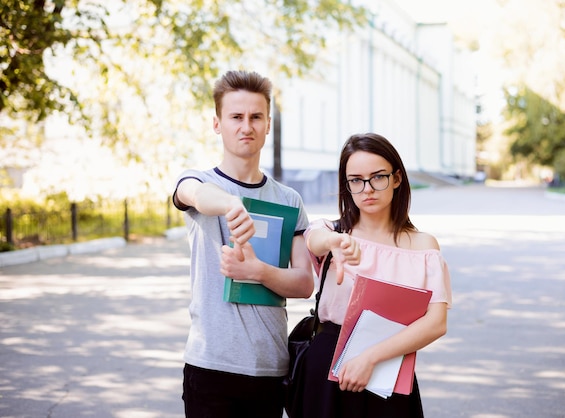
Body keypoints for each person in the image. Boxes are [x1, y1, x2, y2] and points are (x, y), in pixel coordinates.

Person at [172, 70, 314, 418]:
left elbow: (304, 283)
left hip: (269, 367)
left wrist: (258, 271)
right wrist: (231, 204)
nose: (245, 126)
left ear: (268, 124)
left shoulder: (289, 200)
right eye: (236, 117)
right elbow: (192, 194)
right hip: (210, 365)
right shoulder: (199, 181)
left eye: (255, 117)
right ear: (217, 123)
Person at [295, 133, 452, 418]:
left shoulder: (423, 246)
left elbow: (436, 322)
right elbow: (313, 239)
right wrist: (333, 243)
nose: (367, 189)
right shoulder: (332, 233)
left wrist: (370, 357)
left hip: (389, 369)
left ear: (397, 178)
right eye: (355, 180)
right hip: (328, 367)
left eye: (378, 177)